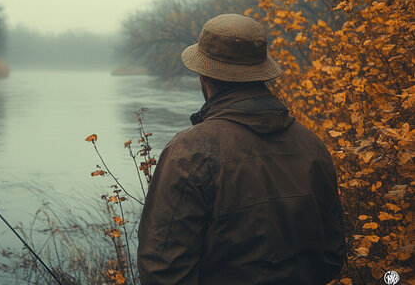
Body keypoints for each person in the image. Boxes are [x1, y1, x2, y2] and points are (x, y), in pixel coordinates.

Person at [137, 14, 346, 284]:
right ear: (261, 74)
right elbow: (332, 255)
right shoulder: (312, 145)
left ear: (203, 75)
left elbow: (162, 272)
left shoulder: (189, 153)